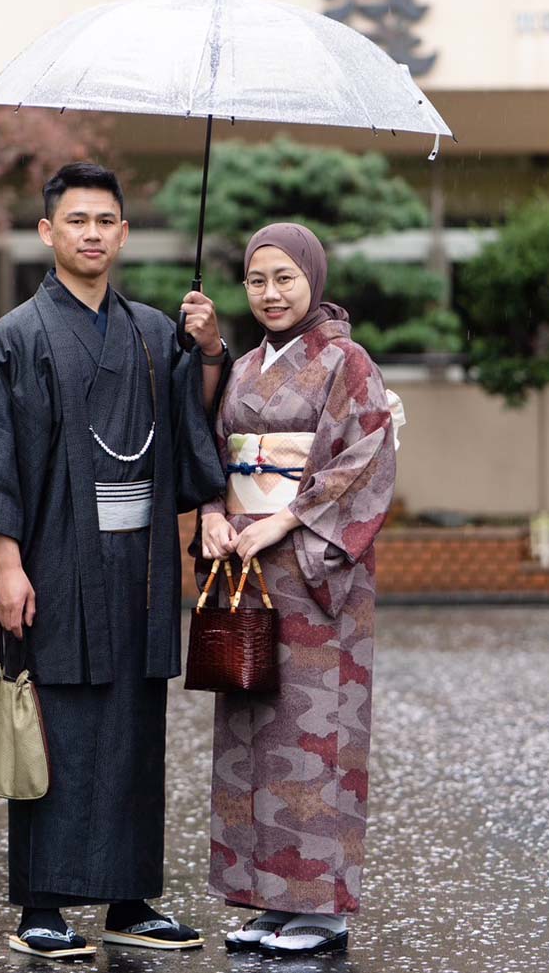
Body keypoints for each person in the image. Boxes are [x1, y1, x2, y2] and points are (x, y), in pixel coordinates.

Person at [0, 162, 230, 960]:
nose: (91, 233)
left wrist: (206, 349)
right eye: (76, 220)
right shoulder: (16, 336)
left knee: (132, 724)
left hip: (138, 564)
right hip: (53, 557)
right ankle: (42, 905)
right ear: (47, 232)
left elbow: (193, 427)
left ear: (123, 233)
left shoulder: (153, 332)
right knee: (53, 723)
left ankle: (130, 899)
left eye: (104, 221)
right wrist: (6, 564)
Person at [197, 223, 400, 957]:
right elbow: (211, 450)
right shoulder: (244, 366)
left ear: (313, 277)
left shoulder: (347, 361)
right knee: (249, 722)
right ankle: (264, 898)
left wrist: (285, 518)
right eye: (257, 280)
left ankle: (321, 908)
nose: (271, 293)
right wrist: (213, 514)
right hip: (246, 564)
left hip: (315, 571)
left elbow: (366, 459)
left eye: (285, 277)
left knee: (314, 730)